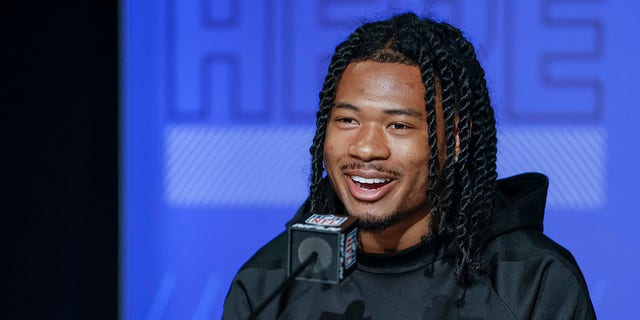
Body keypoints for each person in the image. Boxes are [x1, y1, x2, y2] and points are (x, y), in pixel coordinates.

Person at [223, 13, 595, 319]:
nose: (366, 148)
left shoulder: (532, 282)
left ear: (456, 139)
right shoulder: (269, 285)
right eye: (347, 121)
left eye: (398, 125)